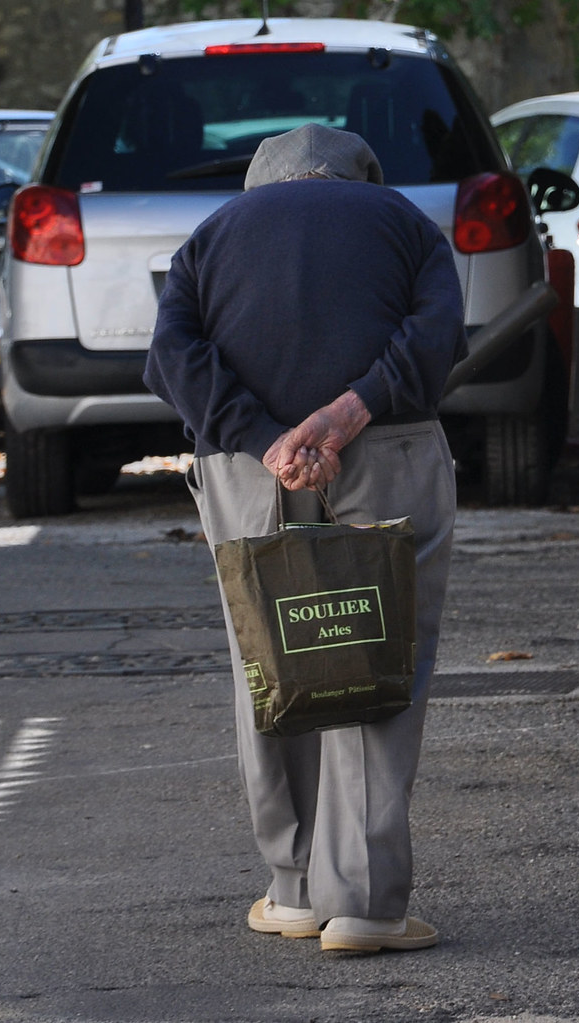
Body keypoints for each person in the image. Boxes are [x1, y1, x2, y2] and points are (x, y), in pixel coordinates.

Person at [144, 124, 467, 953]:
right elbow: (434, 340)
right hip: (386, 456)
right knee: (380, 658)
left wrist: (266, 437)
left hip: (251, 473)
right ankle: (363, 904)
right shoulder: (401, 224)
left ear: (265, 184)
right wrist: (345, 413)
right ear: (359, 177)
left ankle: (291, 890)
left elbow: (172, 353)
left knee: (271, 659)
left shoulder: (214, 235)